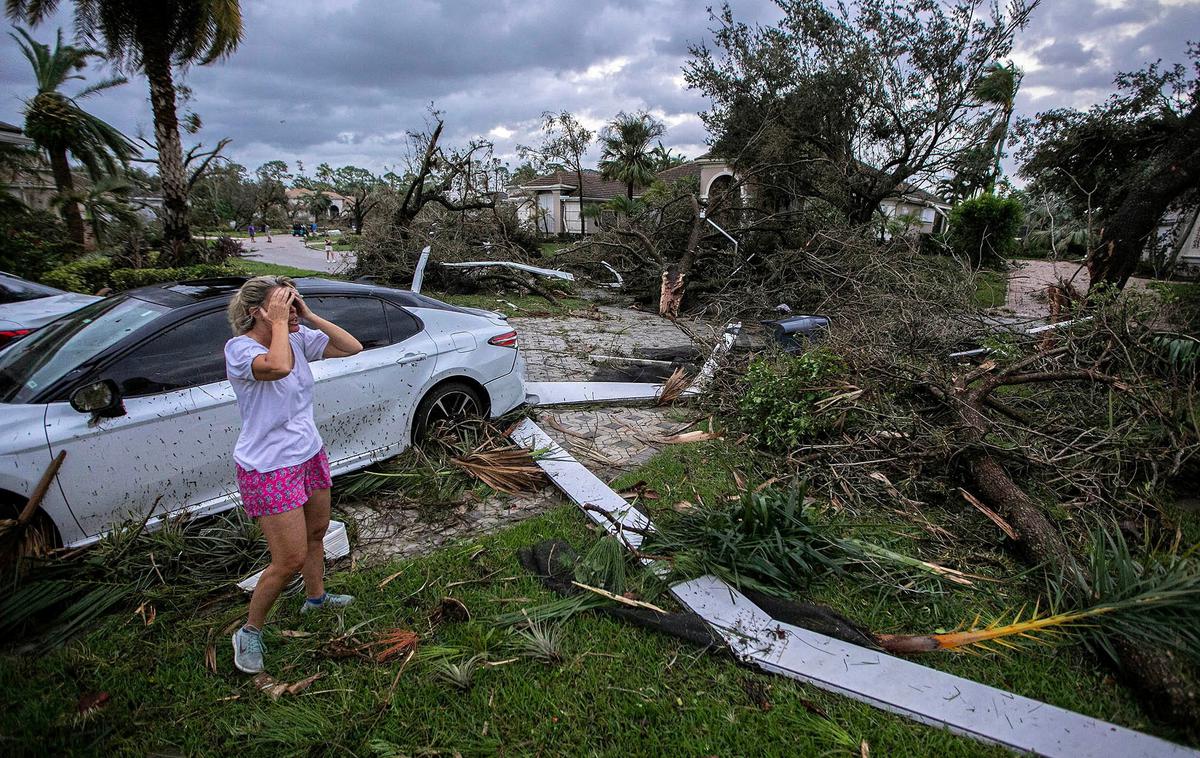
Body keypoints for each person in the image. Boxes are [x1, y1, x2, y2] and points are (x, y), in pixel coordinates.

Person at [225, 276, 363, 674]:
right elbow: (279, 367)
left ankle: (316, 597)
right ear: (258, 313)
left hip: (308, 453)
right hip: (269, 467)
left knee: (318, 533)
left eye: (292, 301)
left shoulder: (298, 338)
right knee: (288, 559)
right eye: (282, 303)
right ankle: (249, 632)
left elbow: (351, 346)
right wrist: (282, 324)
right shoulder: (240, 349)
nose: (291, 307)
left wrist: (307, 314)